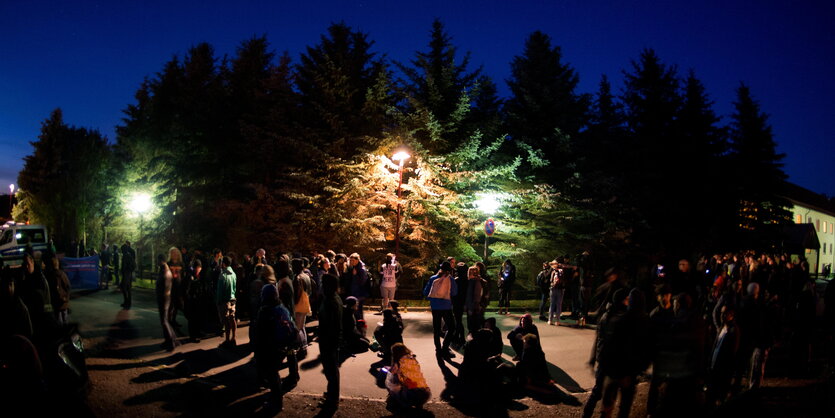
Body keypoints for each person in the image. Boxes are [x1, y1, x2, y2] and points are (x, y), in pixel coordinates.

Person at [255, 283, 296, 412]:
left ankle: (277, 403)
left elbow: (261, 333)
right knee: (273, 374)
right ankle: (276, 399)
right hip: (284, 345)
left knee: (272, 374)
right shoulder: (282, 307)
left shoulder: (265, 311)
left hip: (271, 347)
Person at [318, 273, 342, 409]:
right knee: (331, 370)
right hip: (330, 340)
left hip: (329, 341)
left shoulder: (331, 301)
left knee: (331, 370)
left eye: (323, 283)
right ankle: (332, 396)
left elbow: (330, 324)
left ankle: (332, 400)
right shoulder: (333, 298)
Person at [424, 261, 458, 358]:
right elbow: (454, 292)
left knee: (437, 329)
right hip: (446, 307)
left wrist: (433, 299)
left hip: (435, 307)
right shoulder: (451, 279)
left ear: (440, 269)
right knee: (451, 327)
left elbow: (426, 292)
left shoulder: (433, 278)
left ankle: (438, 349)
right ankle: (445, 347)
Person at [385, 343, 431, 413]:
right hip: (425, 393)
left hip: (411, 394)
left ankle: (404, 405)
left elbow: (394, 378)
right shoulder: (412, 359)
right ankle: (419, 404)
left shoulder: (398, 363)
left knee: (393, 385)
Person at [155, 254, 179, 352]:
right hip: (166, 298)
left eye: (157, 260)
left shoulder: (165, 272)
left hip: (164, 299)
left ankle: (171, 343)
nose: (157, 262)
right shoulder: (165, 270)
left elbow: (164, 287)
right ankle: (170, 340)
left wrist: (160, 295)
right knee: (165, 321)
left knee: (164, 321)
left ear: (161, 260)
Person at [216, 256, 237, 348]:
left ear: (223, 263)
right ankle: (234, 338)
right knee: (232, 318)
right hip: (233, 299)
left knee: (226, 321)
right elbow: (235, 287)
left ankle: (227, 340)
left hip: (224, 300)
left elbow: (220, 291)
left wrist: (218, 301)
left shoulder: (223, 275)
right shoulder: (233, 273)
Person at [292, 258, 312, 353]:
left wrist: (293, 304)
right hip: (305, 303)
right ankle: (304, 344)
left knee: (298, 327)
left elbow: (296, 294)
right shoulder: (306, 276)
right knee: (302, 326)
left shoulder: (297, 278)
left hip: (299, 305)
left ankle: (302, 346)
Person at [465, 265, 489, 336]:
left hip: (474, 307)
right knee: (478, 324)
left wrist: (470, 307)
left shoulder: (471, 282)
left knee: (472, 325)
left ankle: (473, 342)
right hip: (480, 306)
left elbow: (471, 296)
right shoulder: (482, 281)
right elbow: (486, 294)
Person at [347, 253, 369, 320]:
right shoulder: (354, 267)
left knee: (358, 309)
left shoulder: (361, 269)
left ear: (357, 260)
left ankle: (360, 323)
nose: (351, 262)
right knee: (357, 309)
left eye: (353, 260)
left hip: (360, 292)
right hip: (355, 291)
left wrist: (355, 275)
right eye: (350, 260)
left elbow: (362, 281)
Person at [167, 247, 185, 327]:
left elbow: (184, 274)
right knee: (170, 305)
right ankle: (168, 320)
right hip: (170, 287)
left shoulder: (181, 263)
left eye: (176, 253)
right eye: (173, 253)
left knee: (177, 304)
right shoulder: (168, 263)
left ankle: (173, 320)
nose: (174, 254)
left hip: (179, 286)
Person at [120, 241, 136, 309]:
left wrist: (123, 271)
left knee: (123, 287)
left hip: (126, 273)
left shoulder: (125, 256)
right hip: (129, 273)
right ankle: (128, 302)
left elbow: (124, 266)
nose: (121, 251)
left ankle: (126, 301)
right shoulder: (129, 255)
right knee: (128, 288)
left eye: (122, 249)